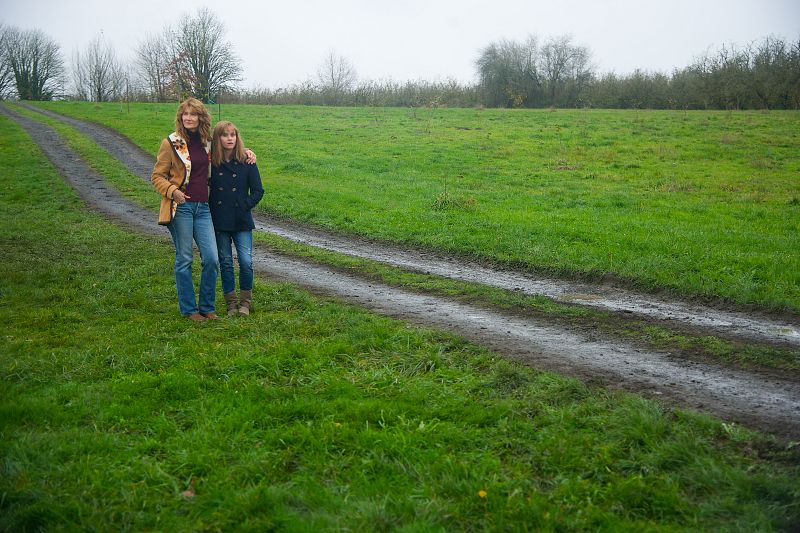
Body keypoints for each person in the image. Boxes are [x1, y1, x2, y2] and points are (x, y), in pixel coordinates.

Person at [151, 98, 228, 321]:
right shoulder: (171, 143)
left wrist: (249, 153)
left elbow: (231, 151)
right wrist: (172, 191)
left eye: (193, 114)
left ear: (200, 117)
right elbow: (157, 176)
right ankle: (189, 310)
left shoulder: (208, 141)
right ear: (180, 117)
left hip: (204, 208)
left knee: (212, 258)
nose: (188, 118)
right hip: (181, 207)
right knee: (184, 258)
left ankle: (206, 306)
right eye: (184, 114)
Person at [209, 121, 264, 316]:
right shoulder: (211, 162)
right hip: (219, 219)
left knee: (246, 261)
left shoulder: (246, 161)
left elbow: (258, 190)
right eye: (225, 135)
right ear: (217, 138)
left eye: (233, 134)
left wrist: (243, 205)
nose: (230, 138)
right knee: (225, 261)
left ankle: (245, 303)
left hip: (241, 220)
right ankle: (231, 303)